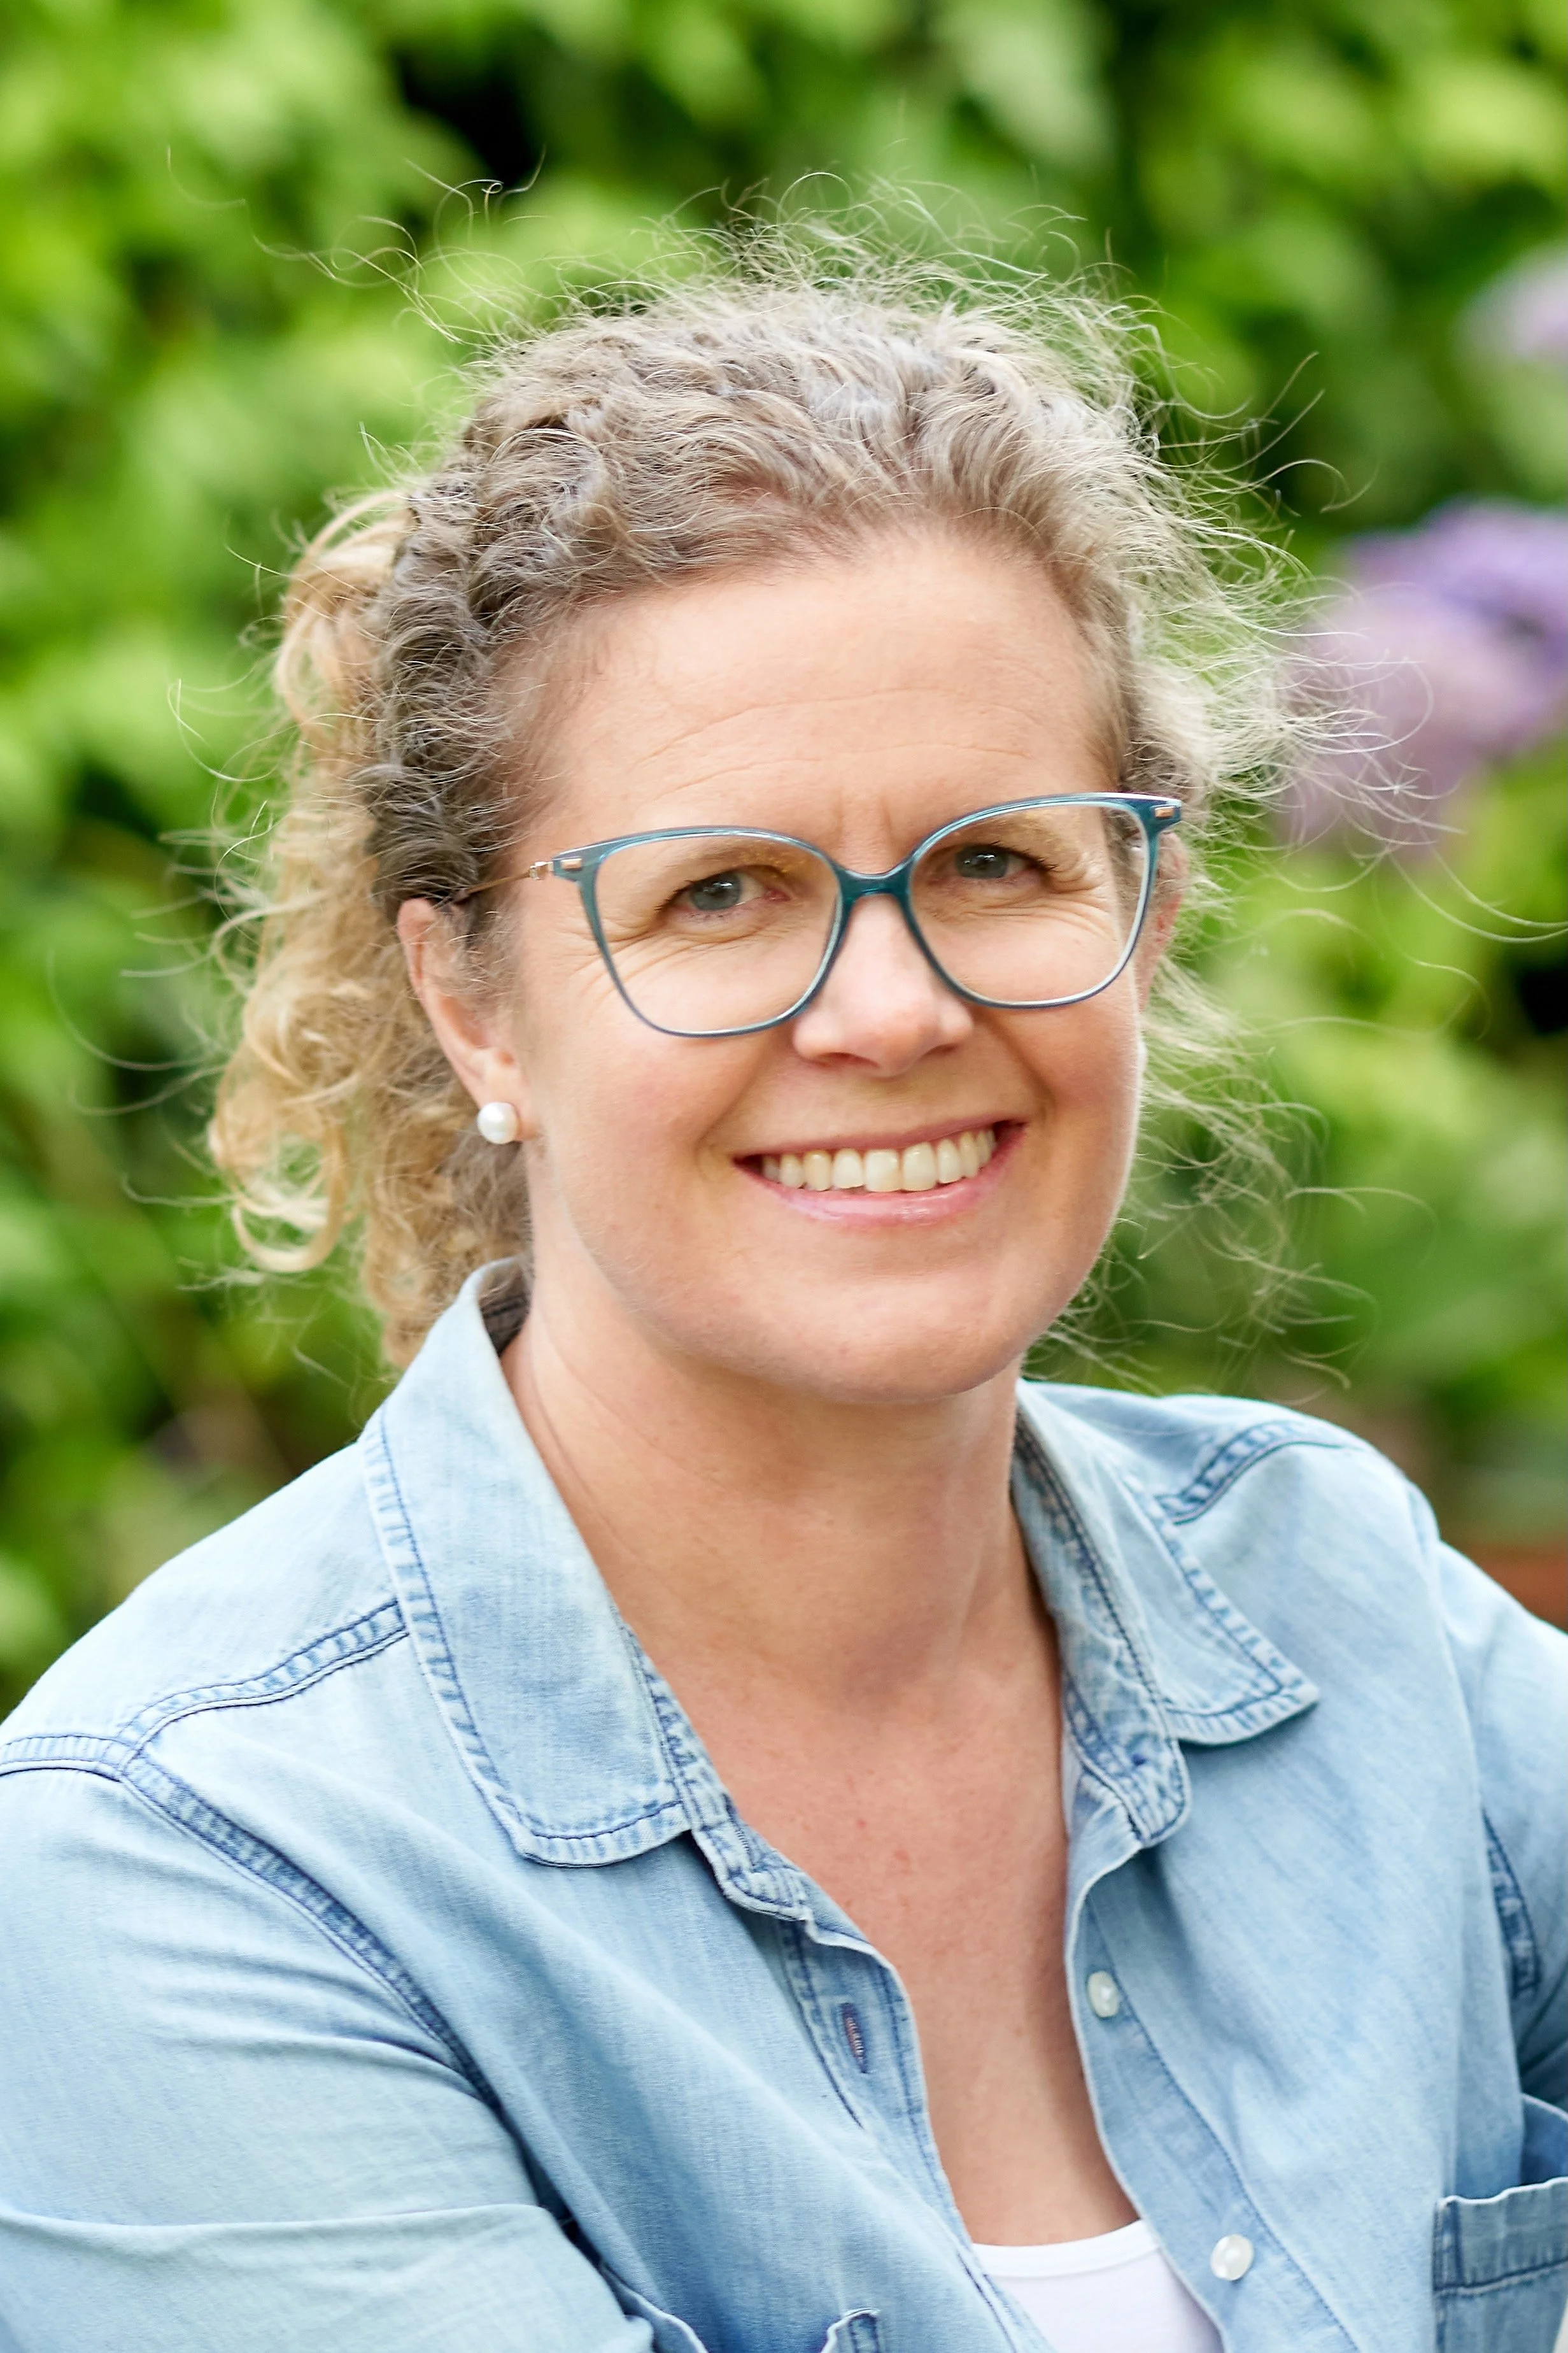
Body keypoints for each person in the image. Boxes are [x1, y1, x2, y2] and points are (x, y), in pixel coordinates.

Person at [0, 266, 1562, 2353]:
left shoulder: (1337, 1603)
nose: (895, 1008)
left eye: (996, 860)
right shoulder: (188, 1866)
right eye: (716, 894)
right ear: (473, 1002)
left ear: (1146, 910)